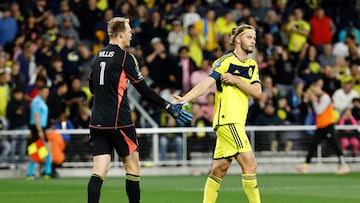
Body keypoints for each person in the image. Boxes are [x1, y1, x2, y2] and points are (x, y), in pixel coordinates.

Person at [87, 17, 192, 203]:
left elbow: (92, 87)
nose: (131, 34)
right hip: (120, 120)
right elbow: (143, 90)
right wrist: (167, 106)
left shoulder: (98, 56)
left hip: (97, 121)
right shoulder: (126, 57)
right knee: (132, 168)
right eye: (128, 31)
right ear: (120, 34)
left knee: (99, 171)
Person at [174, 24, 261, 203]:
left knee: (219, 170)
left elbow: (257, 92)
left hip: (235, 122)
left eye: (254, 37)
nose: (253, 40)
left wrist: (236, 80)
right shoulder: (225, 61)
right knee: (250, 164)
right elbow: (207, 83)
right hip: (228, 121)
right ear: (238, 39)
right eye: (249, 37)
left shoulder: (252, 65)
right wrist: (186, 98)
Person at [294, 79, 350, 174]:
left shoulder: (325, 97)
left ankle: (344, 165)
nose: (312, 92)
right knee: (313, 145)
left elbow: (319, 111)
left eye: (312, 90)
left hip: (328, 125)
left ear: (317, 88)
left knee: (335, 145)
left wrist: (313, 100)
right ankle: (305, 166)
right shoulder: (319, 98)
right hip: (321, 126)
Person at [26, 85, 52, 179]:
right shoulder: (36, 101)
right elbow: (36, 116)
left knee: (45, 148)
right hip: (37, 128)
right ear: (39, 92)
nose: (46, 94)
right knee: (38, 149)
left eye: (47, 92)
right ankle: (31, 173)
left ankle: (47, 171)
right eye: (45, 92)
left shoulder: (40, 101)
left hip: (40, 127)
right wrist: (39, 130)